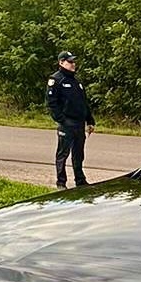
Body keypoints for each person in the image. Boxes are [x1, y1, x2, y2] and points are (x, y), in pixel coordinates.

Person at [46, 51, 95, 189]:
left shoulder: (76, 82)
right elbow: (51, 103)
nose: (73, 64)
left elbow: (83, 103)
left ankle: (80, 180)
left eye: (73, 61)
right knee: (63, 153)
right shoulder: (56, 80)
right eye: (70, 62)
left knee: (79, 154)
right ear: (61, 63)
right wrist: (61, 119)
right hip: (67, 123)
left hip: (79, 124)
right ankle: (61, 182)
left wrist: (90, 120)